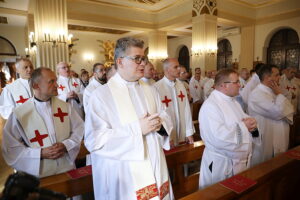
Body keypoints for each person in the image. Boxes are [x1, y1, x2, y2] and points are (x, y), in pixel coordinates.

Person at [84, 37, 174, 200]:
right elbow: (94, 141)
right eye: (137, 59)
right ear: (120, 62)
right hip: (126, 176)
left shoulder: (151, 89)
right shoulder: (101, 96)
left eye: (144, 59)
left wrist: (160, 125)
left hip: (155, 164)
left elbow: (165, 116)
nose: (143, 64)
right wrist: (137, 129)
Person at [2, 67, 84, 178]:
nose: (56, 85)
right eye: (51, 81)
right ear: (36, 86)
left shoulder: (65, 106)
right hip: (39, 175)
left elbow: (79, 129)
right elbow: (11, 148)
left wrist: (66, 145)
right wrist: (39, 154)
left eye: (56, 80)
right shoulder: (20, 114)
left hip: (67, 169)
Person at [199, 69, 257, 189]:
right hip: (221, 164)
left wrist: (252, 125)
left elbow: (243, 121)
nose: (239, 85)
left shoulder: (233, 102)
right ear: (224, 85)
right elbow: (218, 137)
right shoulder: (211, 106)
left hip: (236, 162)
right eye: (236, 82)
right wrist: (244, 127)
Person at [248, 65, 294, 166]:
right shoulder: (257, 94)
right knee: (263, 166)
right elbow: (277, 112)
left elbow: (290, 109)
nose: (280, 77)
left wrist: (279, 95)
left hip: (277, 135)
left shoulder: (273, 91)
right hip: (266, 137)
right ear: (267, 78)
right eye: (277, 75)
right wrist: (279, 95)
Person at [155, 58, 194, 147]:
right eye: (176, 67)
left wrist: (189, 132)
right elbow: (158, 115)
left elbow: (186, 109)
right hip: (168, 135)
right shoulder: (157, 87)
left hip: (182, 131)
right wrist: (166, 137)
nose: (179, 69)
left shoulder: (181, 85)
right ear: (167, 70)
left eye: (179, 67)